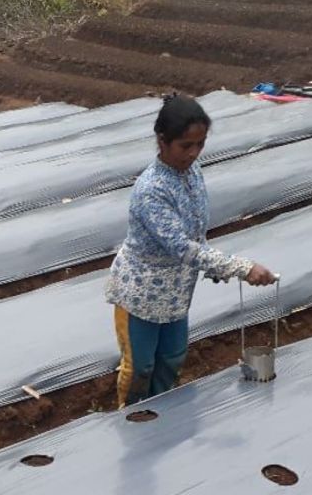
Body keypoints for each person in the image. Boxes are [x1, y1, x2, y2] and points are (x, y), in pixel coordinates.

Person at [105, 94, 277, 409]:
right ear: (162, 141)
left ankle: (163, 415)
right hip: (140, 296)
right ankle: (130, 417)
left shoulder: (192, 173)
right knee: (140, 367)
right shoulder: (151, 191)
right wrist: (239, 267)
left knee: (171, 358)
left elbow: (196, 235)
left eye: (200, 144)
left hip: (176, 295)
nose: (194, 153)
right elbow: (183, 247)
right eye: (186, 146)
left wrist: (215, 268)